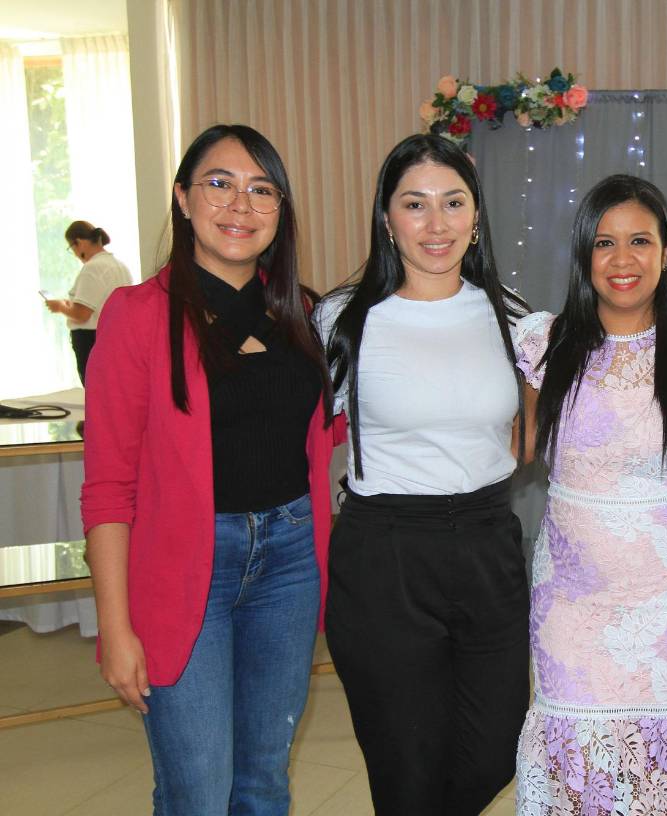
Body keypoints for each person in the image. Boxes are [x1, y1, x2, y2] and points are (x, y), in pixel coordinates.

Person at [80, 123, 338, 814]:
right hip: (182, 564)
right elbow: (107, 488)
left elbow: (334, 430)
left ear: (280, 210)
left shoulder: (302, 315)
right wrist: (115, 628)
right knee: (197, 791)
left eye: (262, 190)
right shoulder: (137, 315)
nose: (240, 206)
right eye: (219, 184)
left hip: (289, 562)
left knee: (263, 782)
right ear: (183, 198)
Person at [315, 133, 529, 815]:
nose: (436, 224)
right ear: (387, 218)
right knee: (407, 769)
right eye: (415, 204)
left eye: (453, 203)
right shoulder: (342, 320)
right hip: (386, 556)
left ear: (476, 215)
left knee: (496, 750)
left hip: (489, 544)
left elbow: (534, 428)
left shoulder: (512, 315)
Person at [513, 174, 667, 815]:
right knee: (578, 770)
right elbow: (518, 447)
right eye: (605, 242)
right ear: (584, 254)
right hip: (572, 604)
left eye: (640, 241)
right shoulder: (544, 343)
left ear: (666, 252)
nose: (623, 259)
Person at [45, 221, 133, 385]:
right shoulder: (119, 266)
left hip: (91, 340)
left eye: (72, 248)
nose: (75, 254)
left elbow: (82, 314)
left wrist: (60, 307)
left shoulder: (93, 268)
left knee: (96, 389)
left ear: (78, 243)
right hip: (117, 337)